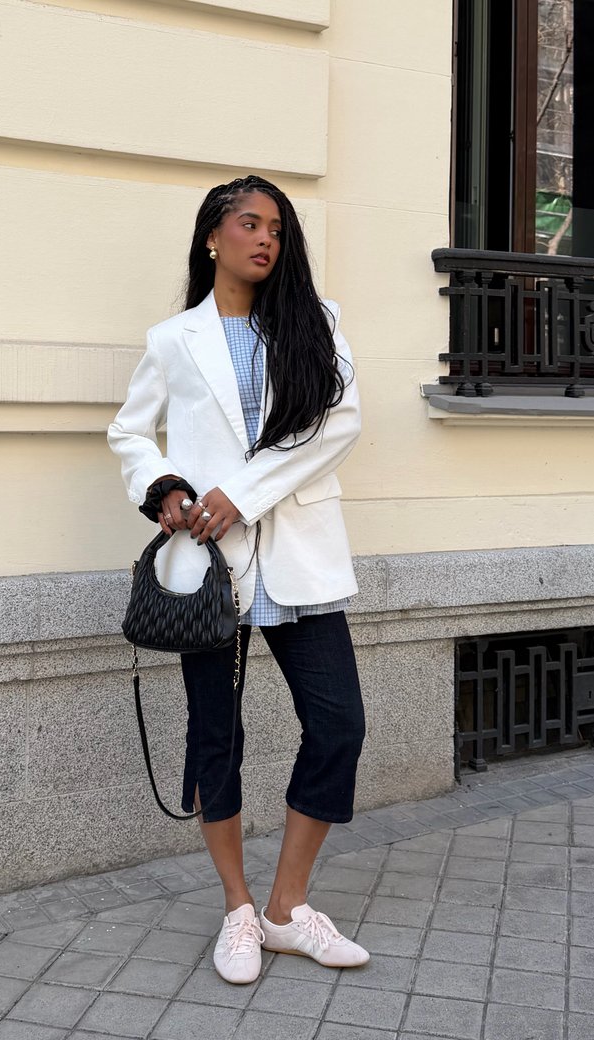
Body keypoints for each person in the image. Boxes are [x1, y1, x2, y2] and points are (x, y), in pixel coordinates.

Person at [108, 174, 369, 984]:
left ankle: (288, 908)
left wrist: (240, 494)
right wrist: (168, 491)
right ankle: (238, 909)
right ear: (212, 237)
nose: (266, 240)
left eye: (278, 230)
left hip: (297, 552)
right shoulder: (172, 338)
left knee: (339, 724)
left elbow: (340, 423)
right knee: (215, 739)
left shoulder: (315, 324)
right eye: (250, 224)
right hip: (207, 566)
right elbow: (128, 431)